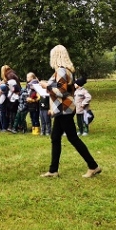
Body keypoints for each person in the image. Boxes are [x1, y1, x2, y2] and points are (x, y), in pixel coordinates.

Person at [39, 45, 101, 178]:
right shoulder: (65, 71)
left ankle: (93, 166)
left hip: (64, 109)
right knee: (55, 137)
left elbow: (61, 92)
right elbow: (67, 89)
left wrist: (46, 86)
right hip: (63, 108)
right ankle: (53, 170)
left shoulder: (61, 71)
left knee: (72, 138)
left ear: (55, 57)